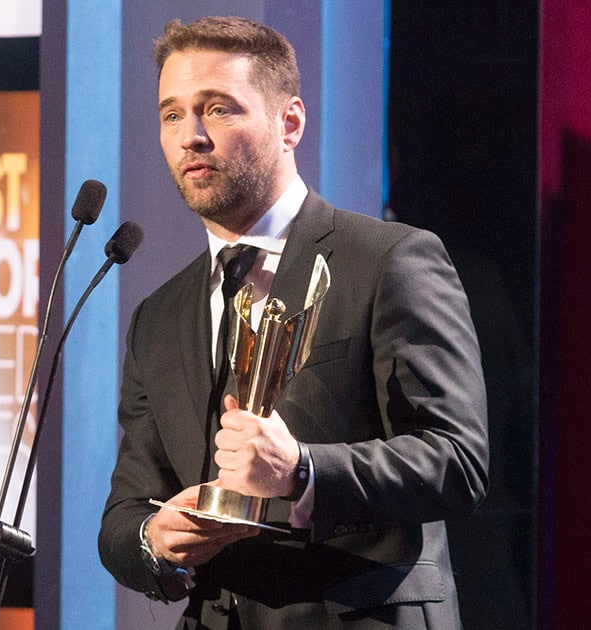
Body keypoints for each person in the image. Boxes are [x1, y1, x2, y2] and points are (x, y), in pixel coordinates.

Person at [97, 15, 489, 629]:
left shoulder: (389, 260)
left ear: (291, 123)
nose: (191, 136)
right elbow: (125, 510)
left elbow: (456, 459)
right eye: (172, 114)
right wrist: (153, 537)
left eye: (219, 109)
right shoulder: (158, 317)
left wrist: (302, 470)